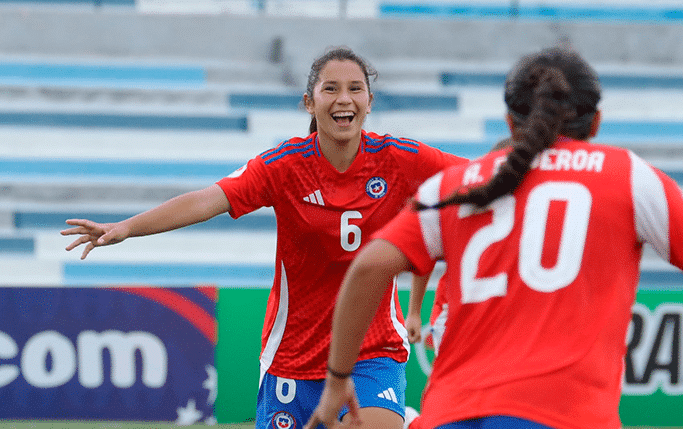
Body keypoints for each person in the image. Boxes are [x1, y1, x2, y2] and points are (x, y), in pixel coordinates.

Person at [303, 47, 683, 429]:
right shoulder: (629, 178)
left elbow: (367, 268)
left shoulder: (455, 186)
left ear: (508, 120)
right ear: (595, 122)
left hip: (451, 413)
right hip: (565, 415)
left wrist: (338, 378)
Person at [60, 46, 466, 429]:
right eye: (331, 89)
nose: (344, 98)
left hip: (372, 350)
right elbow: (208, 200)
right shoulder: (284, 165)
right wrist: (127, 227)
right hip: (293, 355)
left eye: (355, 89)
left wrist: (529, 169)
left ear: (370, 101)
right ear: (309, 103)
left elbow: (476, 175)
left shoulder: (398, 158)